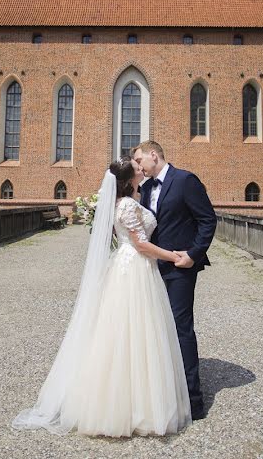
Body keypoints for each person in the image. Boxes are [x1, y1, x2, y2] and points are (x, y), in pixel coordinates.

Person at [12, 158, 193, 437]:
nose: (140, 166)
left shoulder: (119, 203)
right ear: (129, 177)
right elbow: (141, 245)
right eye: (136, 165)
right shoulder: (129, 205)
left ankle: (118, 402)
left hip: (124, 264)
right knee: (139, 331)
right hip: (135, 266)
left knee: (120, 332)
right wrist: (174, 255)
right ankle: (139, 405)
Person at [133, 140, 217, 421]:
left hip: (181, 268)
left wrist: (193, 254)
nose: (139, 167)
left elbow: (207, 220)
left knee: (181, 329)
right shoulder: (145, 189)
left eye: (140, 161)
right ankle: (166, 393)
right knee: (157, 328)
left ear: (153, 155)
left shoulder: (185, 180)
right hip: (153, 268)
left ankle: (193, 401)